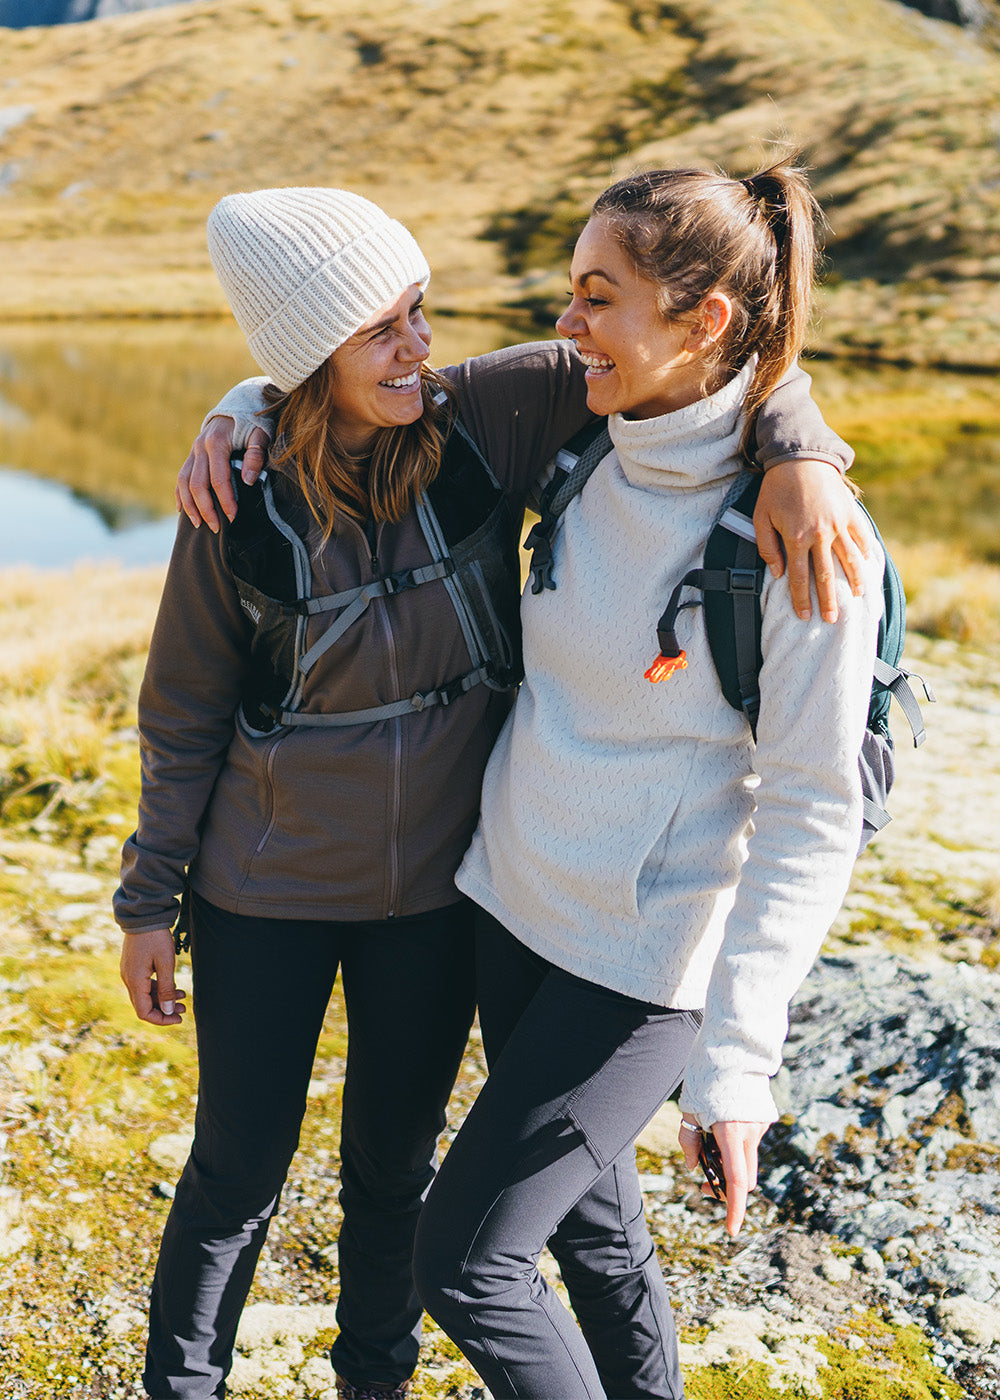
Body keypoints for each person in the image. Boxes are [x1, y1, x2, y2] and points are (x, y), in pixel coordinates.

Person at [116, 185, 862, 1400]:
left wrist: (801, 446)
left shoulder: (482, 418)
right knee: (236, 1169)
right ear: (309, 357)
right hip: (264, 888)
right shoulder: (237, 492)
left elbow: (719, 354)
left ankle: (375, 1385)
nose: (421, 346)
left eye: (421, 312)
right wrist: (150, 901)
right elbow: (182, 706)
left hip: (437, 899)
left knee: (392, 1174)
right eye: (382, 328)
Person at [409, 161, 885, 1400]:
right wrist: (245, 401)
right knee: (590, 1223)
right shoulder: (588, 432)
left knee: (464, 1261)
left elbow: (810, 806)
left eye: (597, 296)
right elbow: (382, 397)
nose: (565, 327)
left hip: (637, 964)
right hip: (515, 905)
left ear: (705, 320)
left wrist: (735, 1064)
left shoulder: (804, 535)